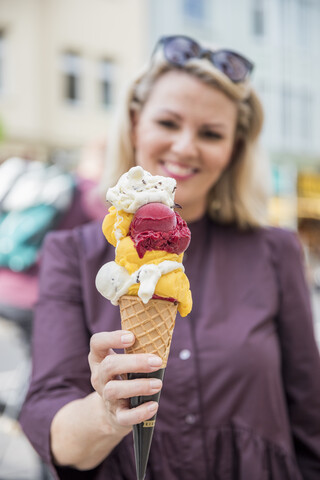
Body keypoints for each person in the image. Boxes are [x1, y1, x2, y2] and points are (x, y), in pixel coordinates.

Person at [19, 35, 320, 480]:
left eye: (211, 133)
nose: (185, 146)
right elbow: (51, 429)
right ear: (136, 124)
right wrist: (105, 412)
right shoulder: (72, 253)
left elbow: (310, 414)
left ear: (234, 149)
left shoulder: (274, 251)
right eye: (168, 122)